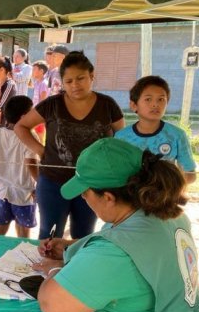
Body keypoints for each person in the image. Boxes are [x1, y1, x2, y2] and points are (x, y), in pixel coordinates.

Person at [33, 138, 199, 312]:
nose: (83, 198)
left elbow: (54, 306)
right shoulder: (166, 213)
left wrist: (53, 272)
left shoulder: (117, 253)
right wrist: (71, 249)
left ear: (108, 198)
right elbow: (130, 244)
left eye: (86, 192)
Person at [14, 51, 125, 240]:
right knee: (49, 234)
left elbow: (122, 140)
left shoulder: (108, 105)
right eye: (69, 81)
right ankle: (47, 270)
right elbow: (21, 126)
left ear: (92, 76)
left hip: (93, 183)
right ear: (62, 83)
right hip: (53, 181)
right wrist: (41, 150)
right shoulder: (52, 104)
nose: (75, 85)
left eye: (81, 78)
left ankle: (76, 269)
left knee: (83, 235)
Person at [115, 75, 197, 183]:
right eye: (148, 99)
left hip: (165, 197)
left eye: (161, 99)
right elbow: (116, 172)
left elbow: (190, 174)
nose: (155, 104)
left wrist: (167, 186)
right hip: (131, 197)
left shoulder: (177, 135)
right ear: (134, 105)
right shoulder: (121, 137)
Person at [0, 96, 38, 238]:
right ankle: (22, 258)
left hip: (2, 193)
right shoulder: (29, 136)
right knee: (23, 235)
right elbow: (31, 163)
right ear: (24, 116)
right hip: (24, 194)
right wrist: (40, 184)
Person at [31, 60, 50, 144]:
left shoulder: (44, 84)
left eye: (34, 69)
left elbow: (43, 100)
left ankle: (41, 155)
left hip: (40, 114)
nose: (32, 72)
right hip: (35, 112)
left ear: (41, 71)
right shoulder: (36, 82)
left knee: (39, 137)